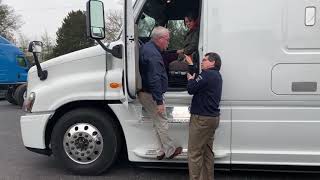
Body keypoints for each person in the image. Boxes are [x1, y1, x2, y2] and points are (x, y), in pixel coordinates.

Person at [138, 26, 182, 160]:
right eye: (168, 40)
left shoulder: (149, 48)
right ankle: (169, 151)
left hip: (146, 93)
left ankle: (160, 151)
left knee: (156, 122)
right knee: (162, 121)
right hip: (151, 94)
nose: (168, 43)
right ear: (160, 39)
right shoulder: (153, 56)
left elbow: (165, 55)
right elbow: (155, 79)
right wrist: (159, 101)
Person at [186, 52, 222, 180]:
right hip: (213, 118)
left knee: (194, 153)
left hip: (202, 119)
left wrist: (190, 79)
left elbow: (191, 89)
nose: (202, 62)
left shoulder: (206, 75)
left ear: (213, 62)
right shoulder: (217, 76)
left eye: (205, 60)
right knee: (207, 152)